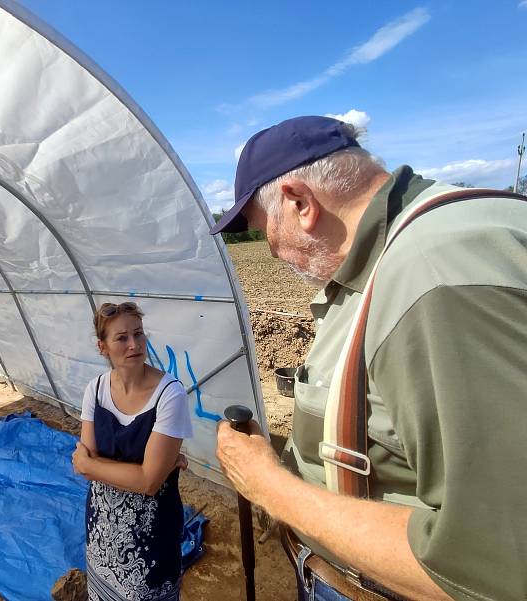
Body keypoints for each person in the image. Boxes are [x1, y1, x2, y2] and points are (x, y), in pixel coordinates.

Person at [210, 116, 527, 601]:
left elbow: (491, 567)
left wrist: (267, 484)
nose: (270, 251)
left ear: (299, 203)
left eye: (261, 229)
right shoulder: (394, 257)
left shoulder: (434, 277)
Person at [71, 301, 193, 601]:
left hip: (151, 539)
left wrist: (93, 466)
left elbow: (148, 482)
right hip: (102, 530)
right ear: (103, 347)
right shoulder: (95, 390)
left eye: (138, 334)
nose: (134, 344)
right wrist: (146, 468)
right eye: (122, 338)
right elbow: (142, 475)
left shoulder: (169, 394)